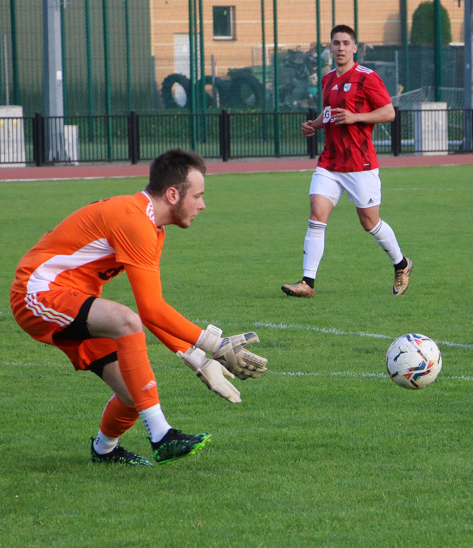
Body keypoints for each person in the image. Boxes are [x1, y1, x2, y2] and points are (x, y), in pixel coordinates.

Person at [10, 148, 268, 466]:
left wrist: (199, 358)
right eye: (198, 195)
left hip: (74, 302)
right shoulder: (134, 220)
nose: (202, 204)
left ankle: (105, 450)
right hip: (37, 294)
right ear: (173, 194)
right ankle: (161, 435)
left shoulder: (151, 228)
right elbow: (149, 311)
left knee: (135, 392)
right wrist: (215, 344)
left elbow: (153, 310)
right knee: (126, 320)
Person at [282, 24, 412, 299]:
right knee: (316, 216)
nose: (340, 48)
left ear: (355, 48)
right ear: (330, 48)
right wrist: (315, 125)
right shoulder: (328, 79)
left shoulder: (367, 77)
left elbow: (388, 112)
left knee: (370, 223)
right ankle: (307, 283)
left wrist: (356, 117)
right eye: (336, 43)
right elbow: (330, 112)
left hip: (360, 163)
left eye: (345, 43)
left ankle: (402, 264)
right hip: (330, 162)